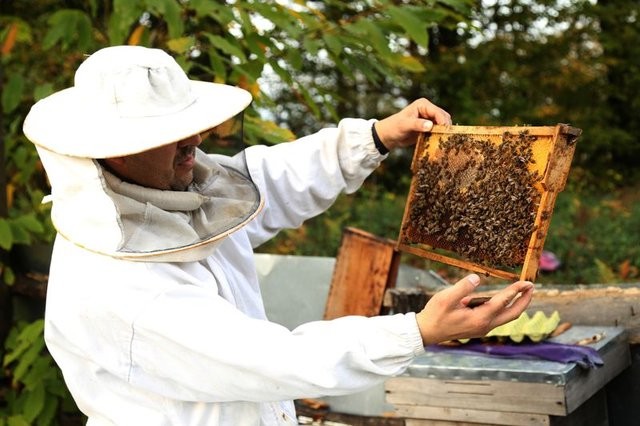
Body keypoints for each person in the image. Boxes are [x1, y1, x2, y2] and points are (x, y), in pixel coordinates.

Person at [23, 45, 534, 425]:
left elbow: (262, 180)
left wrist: (375, 136)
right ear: (109, 148)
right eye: (170, 134)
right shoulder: (120, 286)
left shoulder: (168, 187)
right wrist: (416, 331)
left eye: (190, 125)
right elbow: (274, 359)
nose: (195, 143)